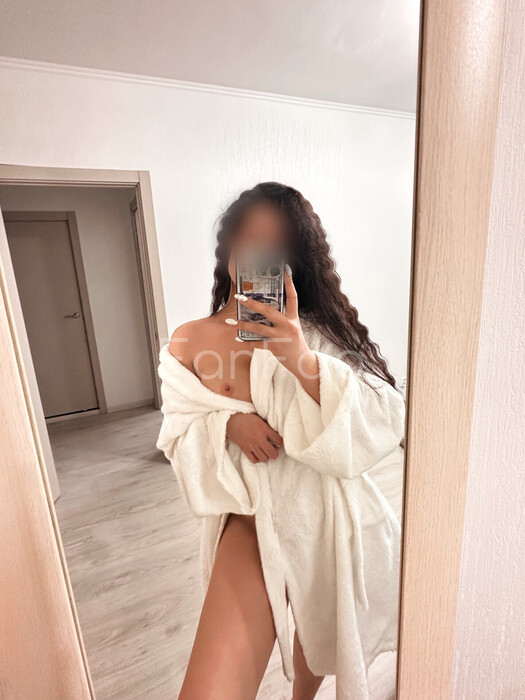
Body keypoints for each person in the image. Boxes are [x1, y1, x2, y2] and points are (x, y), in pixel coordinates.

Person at [157, 182, 405, 700]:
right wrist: (227, 425)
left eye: (276, 243)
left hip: (324, 513)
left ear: (294, 261)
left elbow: (386, 414)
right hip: (250, 521)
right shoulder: (189, 339)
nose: (259, 252)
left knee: (321, 630)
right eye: (248, 237)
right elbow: (177, 426)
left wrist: (301, 359)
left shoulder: (314, 333)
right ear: (229, 246)